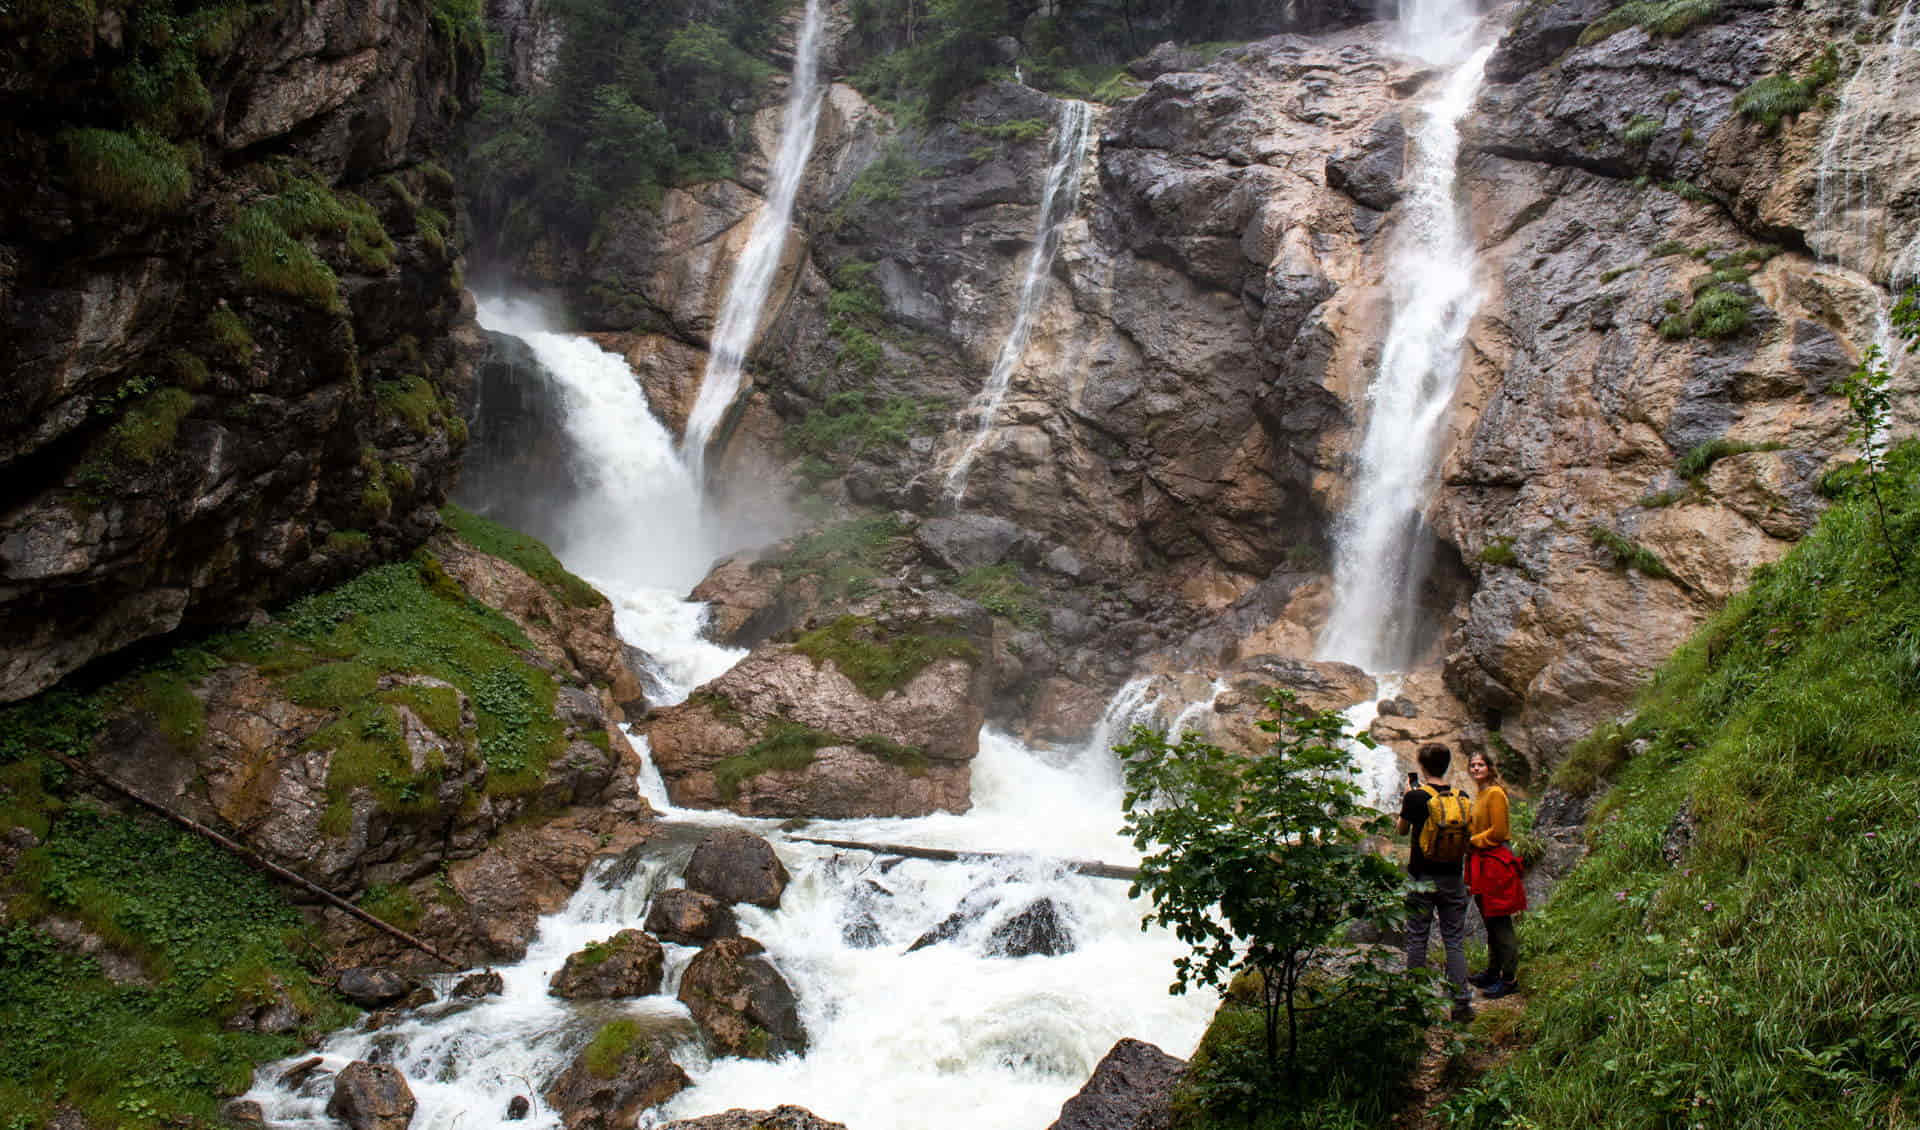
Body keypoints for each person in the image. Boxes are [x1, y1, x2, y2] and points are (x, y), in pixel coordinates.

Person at [1398, 741, 1474, 1023]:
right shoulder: (1461, 795)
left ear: (1422, 766)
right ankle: (1461, 1003)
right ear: (1447, 764)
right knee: (1454, 940)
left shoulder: (1417, 798)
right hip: (1453, 875)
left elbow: (1402, 830)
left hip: (1421, 877)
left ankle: (1415, 1003)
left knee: (1417, 937)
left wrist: (1407, 797)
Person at [1466, 750, 1526, 998]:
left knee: (1500, 919)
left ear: (1489, 768)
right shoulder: (1480, 794)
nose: (1476, 769)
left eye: (1480, 765)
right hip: (1482, 859)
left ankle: (1509, 978)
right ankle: (1493, 970)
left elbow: (1499, 831)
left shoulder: (1495, 794)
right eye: (1472, 765)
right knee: (1489, 918)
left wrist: (1473, 840)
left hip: (1494, 859)